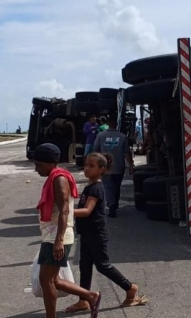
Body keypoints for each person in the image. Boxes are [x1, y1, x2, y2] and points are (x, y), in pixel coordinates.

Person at [64, 152, 147, 313]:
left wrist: (67, 211)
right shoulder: (89, 186)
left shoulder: (96, 188)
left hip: (96, 233)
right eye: (86, 165)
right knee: (85, 265)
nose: (87, 169)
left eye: (91, 166)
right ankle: (84, 299)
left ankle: (130, 288)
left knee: (102, 265)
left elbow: (87, 211)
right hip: (87, 233)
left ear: (102, 169)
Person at [32, 143, 102, 318]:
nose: (36, 169)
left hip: (56, 236)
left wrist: (58, 240)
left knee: (46, 280)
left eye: (39, 164)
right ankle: (90, 295)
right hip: (53, 234)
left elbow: (64, 209)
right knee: (53, 279)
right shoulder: (55, 177)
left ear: (50, 163)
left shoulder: (59, 179)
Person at [93, 115, 134, 217]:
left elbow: (95, 150)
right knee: (116, 187)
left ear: (107, 124)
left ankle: (111, 206)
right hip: (119, 166)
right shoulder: (122, 136)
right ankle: (114, 205)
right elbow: (126, 153)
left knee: (108, 187)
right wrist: (131, 165)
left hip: (105, 166)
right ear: (116, 124)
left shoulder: (100, 136)